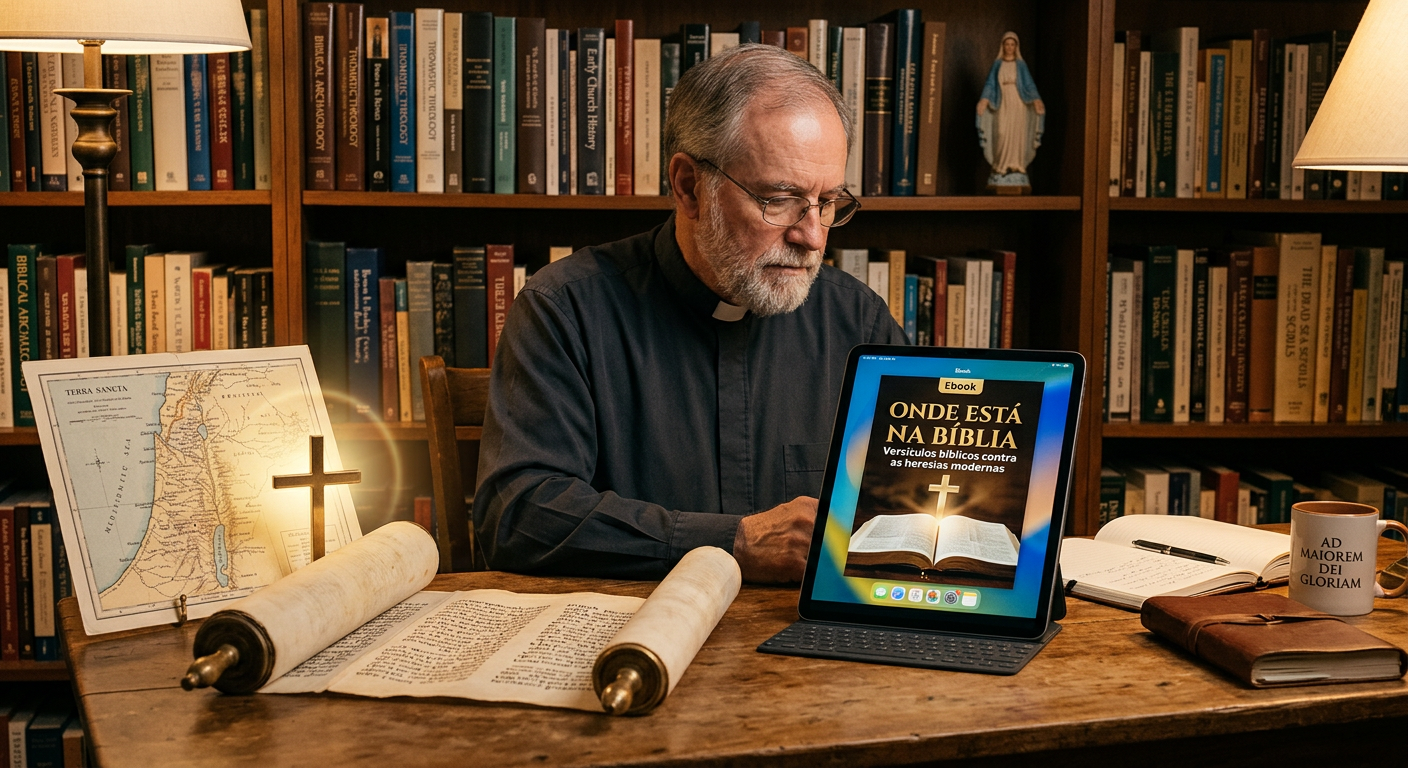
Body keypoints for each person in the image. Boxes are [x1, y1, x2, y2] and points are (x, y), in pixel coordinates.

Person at [472, 45, 906, 583]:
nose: (812, 236)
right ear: (689, 186)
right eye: (779, 199)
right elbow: (518, 517)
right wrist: (733, 543)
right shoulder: (565, 311)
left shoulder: (858, 322)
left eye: (828, 202)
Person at [976, 32, 1045, 190]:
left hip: (1018, 102)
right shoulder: (997, 64)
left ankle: (1017, 165)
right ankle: (1000, 165)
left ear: (1016, 47)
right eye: (1007, 44)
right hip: (1002, 101)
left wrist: (1036, 99)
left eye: (1012, 44)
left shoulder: (1021, 65)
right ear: (1003, 46)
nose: (1009, 47)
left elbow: (1029, 85)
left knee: (1017, 133)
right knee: (1001, 132)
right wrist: (984, 100)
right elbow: (990, 84)